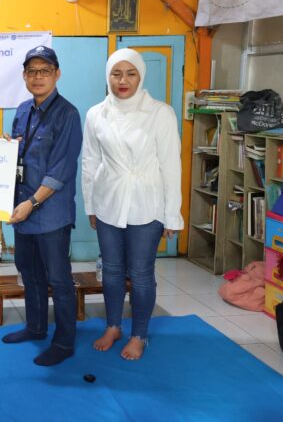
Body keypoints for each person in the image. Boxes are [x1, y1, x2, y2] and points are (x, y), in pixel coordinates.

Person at [82, 48, 183, 360]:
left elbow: (171, 166)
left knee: (140, 273)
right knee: (111, 270)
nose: (122, 81)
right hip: (109, 200)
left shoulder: (160, 113)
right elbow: (89, 161)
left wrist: (172, 215)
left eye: (130, 74)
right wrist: (90, 205)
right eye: (116, 74)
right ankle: (113, 326)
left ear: (141, 77)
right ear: (108, 77)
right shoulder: (96, 114)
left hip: (147, 202)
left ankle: (139, 334)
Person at [2, 45, 83, 367]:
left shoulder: (68, 114)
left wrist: (32, 203)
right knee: (29, 272)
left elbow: (61, 169)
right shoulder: (23, 110)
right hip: (23, 210)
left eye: (45, 71)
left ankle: (64, 342)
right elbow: (22, 158)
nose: (38, 77)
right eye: (32, 71)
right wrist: (7, 153)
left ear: (57, 74)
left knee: (59, 280)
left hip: (49, 214)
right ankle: (35, 327)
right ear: (24, 76)